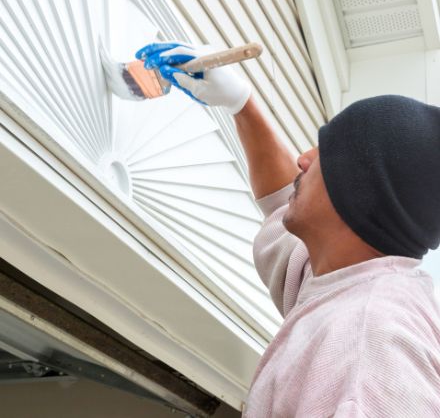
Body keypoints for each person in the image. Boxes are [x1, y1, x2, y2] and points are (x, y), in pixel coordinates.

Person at [136, 41, 440, 417]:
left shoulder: (369, 345)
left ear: (357, 190)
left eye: (324, 152)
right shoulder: (346, 278)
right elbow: (284, 199)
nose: (303, 158)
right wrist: (241, 105)